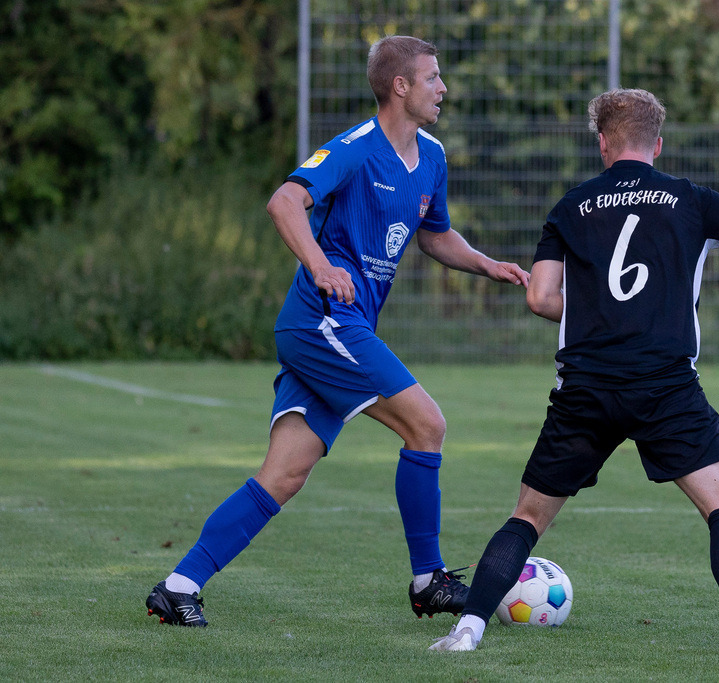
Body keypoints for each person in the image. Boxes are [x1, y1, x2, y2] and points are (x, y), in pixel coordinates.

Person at [145, 35, 529, 627]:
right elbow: (284, 202)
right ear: (399, 86)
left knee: (284, 475)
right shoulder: (354, 148)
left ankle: (178, 587)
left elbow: (434, 236)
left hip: (337, 329)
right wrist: (321, 266)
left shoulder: (431, 156)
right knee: (427, 424)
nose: (443, 88)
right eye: (432, 78)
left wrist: (486, 264)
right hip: (321, 322)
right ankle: (428, 580)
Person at [429, 88, 719, 653]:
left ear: (603, 143)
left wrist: (596, 309)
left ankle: (467, 629)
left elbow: (540, 298)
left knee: (528, 517)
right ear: (658, 144)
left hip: (585, 387)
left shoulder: (571, 205)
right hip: (665, 386)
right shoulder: (693, 199)